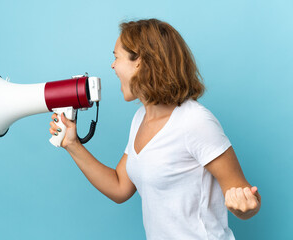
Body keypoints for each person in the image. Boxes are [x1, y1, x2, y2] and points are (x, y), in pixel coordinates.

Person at [49, 18, 261, 240]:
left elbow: (250, 202)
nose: (112, 65)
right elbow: (120, 187)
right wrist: (72, 144)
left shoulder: (195, 122)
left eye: (116, 57)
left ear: (139, 61)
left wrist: (243, 204)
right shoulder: (140, 118)